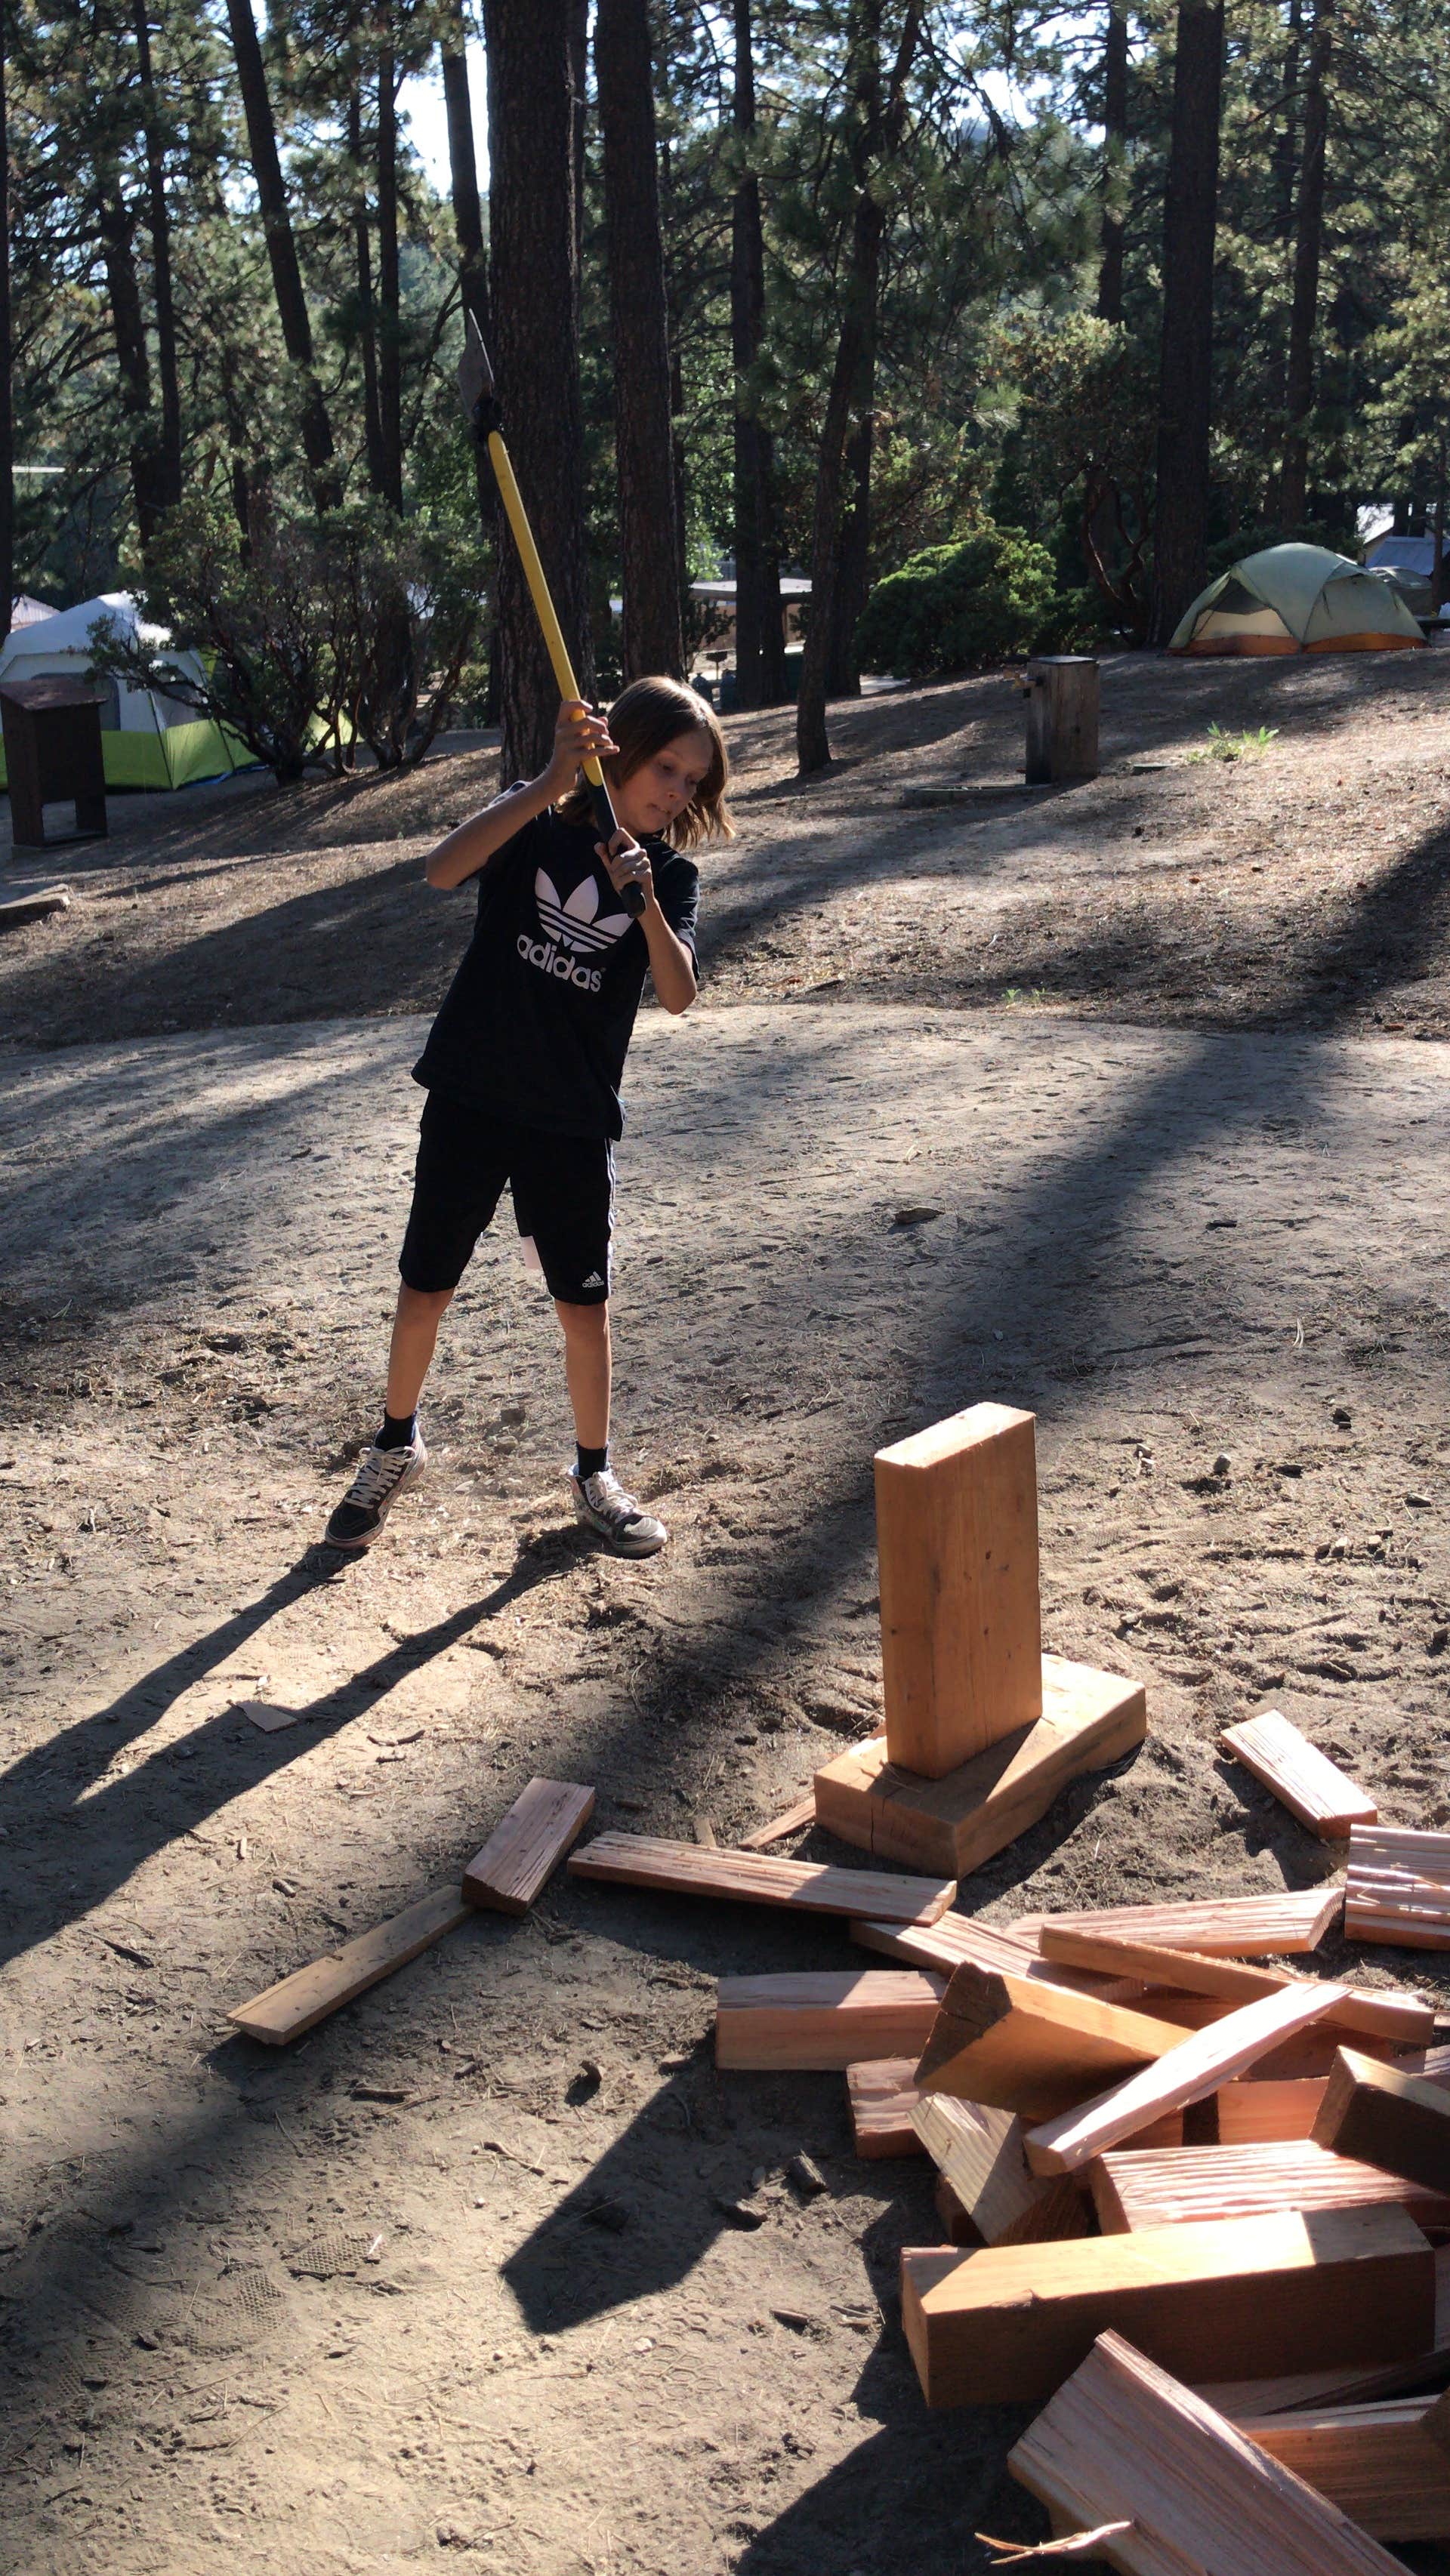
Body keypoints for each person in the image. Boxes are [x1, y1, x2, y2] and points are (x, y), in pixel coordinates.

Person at [324, 673, 731, 1560]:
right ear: (619, 750)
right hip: (472, 1093)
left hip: (572, 1119)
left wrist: (646, 904)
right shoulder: (533, 824)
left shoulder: (669, 874)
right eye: (665, 766)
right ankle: (396, 1443)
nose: (675, 791)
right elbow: (438, 871)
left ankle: (595, 1474)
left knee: (583, 1307)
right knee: (425, 1285)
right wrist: (549, 781)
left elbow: (678, 993)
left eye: (693, 781)